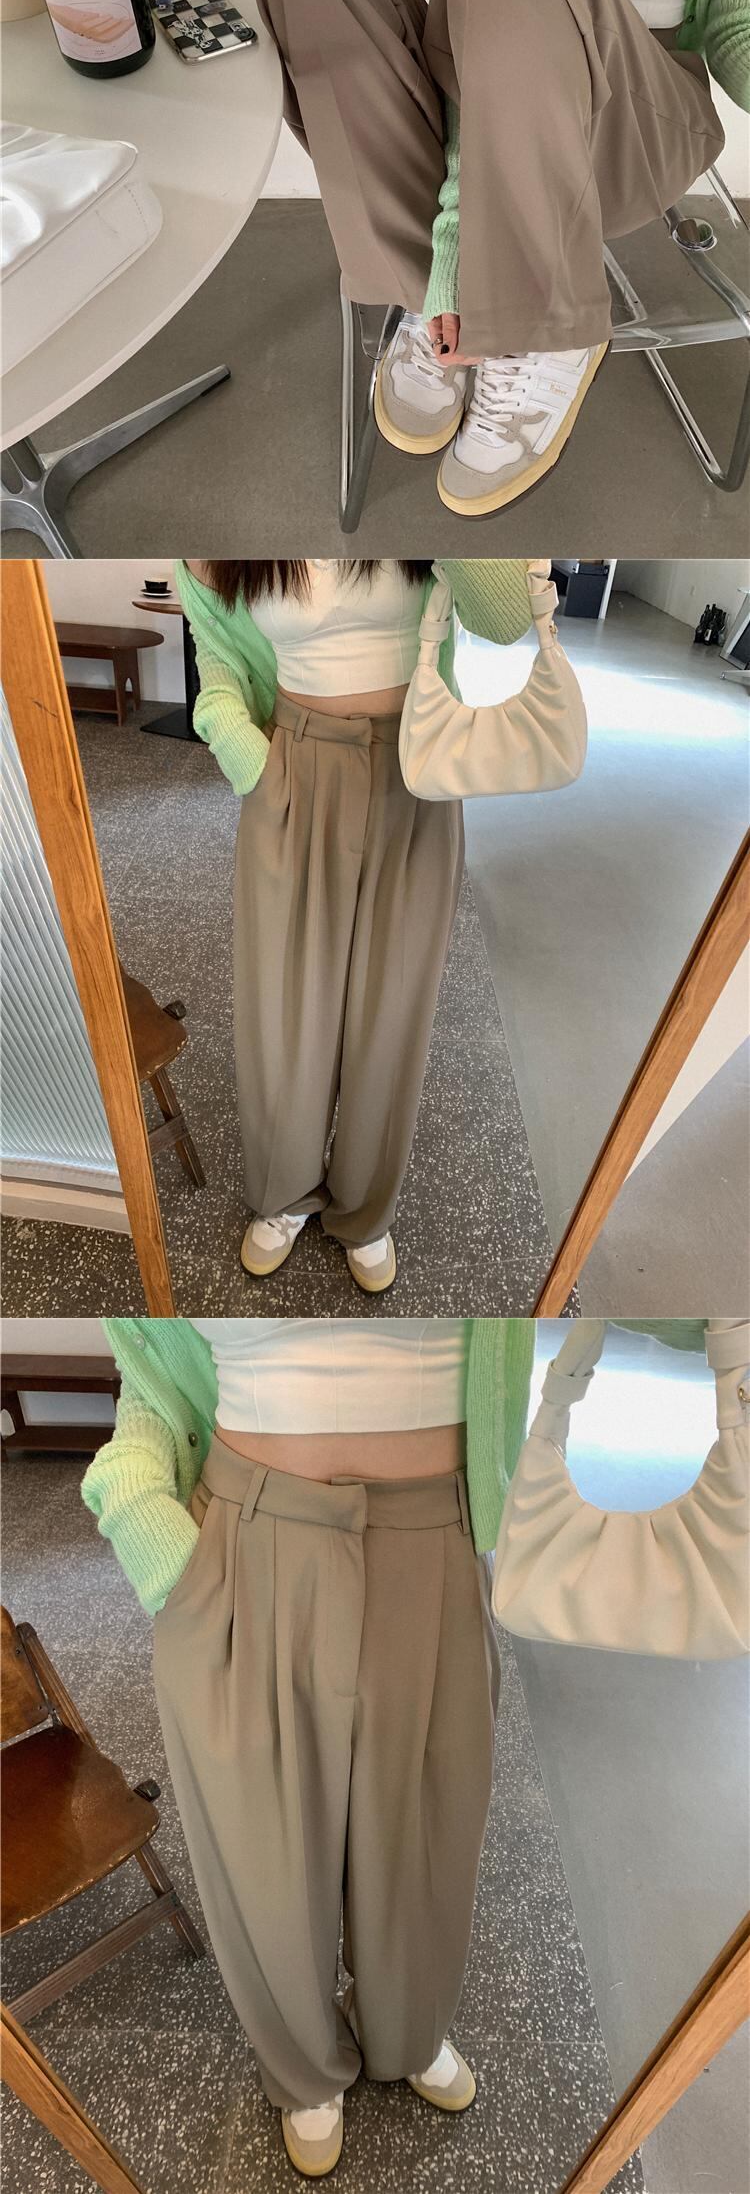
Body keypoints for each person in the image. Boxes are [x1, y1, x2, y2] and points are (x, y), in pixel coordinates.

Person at [83, 1312, 535, 2180]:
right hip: (242, 1551)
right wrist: (143, 1515)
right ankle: (301, 2068)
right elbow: (151, 1376)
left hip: (435, 1538)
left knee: (428, 1831)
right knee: (264, 1854)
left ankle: (408, 2030)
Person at [252, 0, 749, 513]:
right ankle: (441, 295)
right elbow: (474, 19)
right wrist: (455, 253)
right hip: (498, 85)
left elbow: (736, 25)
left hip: (641, 112)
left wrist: (461, 241)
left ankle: (539, 316)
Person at [176, 556, 540, 1280]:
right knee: (286, 1008)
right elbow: (216, 652)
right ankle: (283, 1193)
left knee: (392, 1007)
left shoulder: (409, 494)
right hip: (293, 769)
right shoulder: (229, 519)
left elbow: (505, 618)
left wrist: (441, 507)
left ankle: (366, 1208)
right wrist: (244, 750)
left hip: (418, 768)